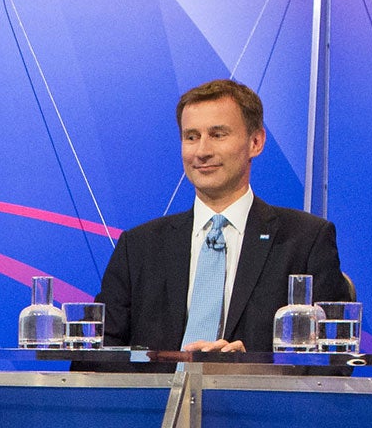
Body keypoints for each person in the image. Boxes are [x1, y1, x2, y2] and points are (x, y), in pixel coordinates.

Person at [98, 79, 348, 353]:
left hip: (256, 395)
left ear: (256, 142)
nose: (202, 151)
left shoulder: (305, 240)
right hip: (156, 395)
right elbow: (94, 359)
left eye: (218, 135)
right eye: (191, 137)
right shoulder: (138, 247)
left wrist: (251, 371)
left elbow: (334, 360)